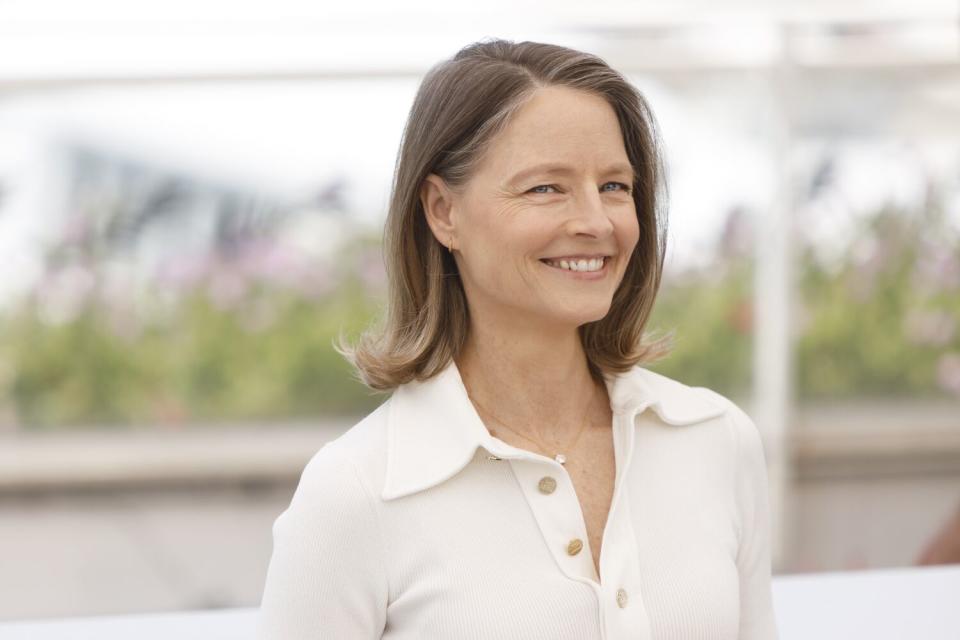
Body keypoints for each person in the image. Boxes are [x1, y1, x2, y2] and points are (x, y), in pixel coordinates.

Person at [256, 38, 779, 639]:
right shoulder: (355, 494)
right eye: (545, 188)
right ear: (441, 211)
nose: (596, 221)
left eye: (614, 186)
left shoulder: (717, 441)